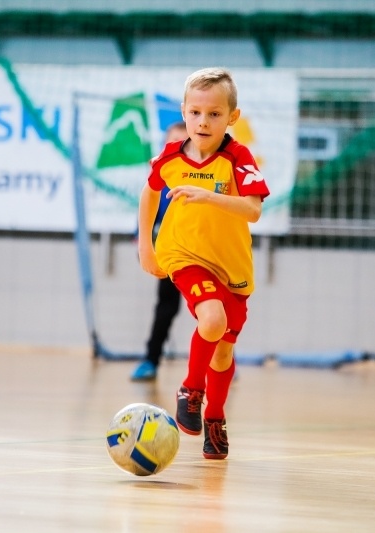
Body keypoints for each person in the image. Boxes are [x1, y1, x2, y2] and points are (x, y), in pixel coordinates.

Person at [137, 68, 270, 459]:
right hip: (184, 255)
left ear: (232, 117)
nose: (202, 121)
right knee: (211, 321)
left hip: (231, 267)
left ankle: (214, 414)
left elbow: (253, 210)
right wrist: (147, 245)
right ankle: (190, 390)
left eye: (214, 114)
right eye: (195, 112)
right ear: (184, 111)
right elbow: (149, 192)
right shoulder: (170, 157)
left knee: (223, 353)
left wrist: (207, 195)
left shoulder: (238, 157)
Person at [131, 121, 188, 382]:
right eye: (170, 142)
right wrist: (143, 244)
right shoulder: (161, 177)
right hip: (171, 253)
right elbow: (147, 212)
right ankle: (151, 360)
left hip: (205, 252)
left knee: (214, 310)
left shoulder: (206, 175)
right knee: (167, 306)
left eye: (181, 141)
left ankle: (222, 362)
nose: (175, 147)